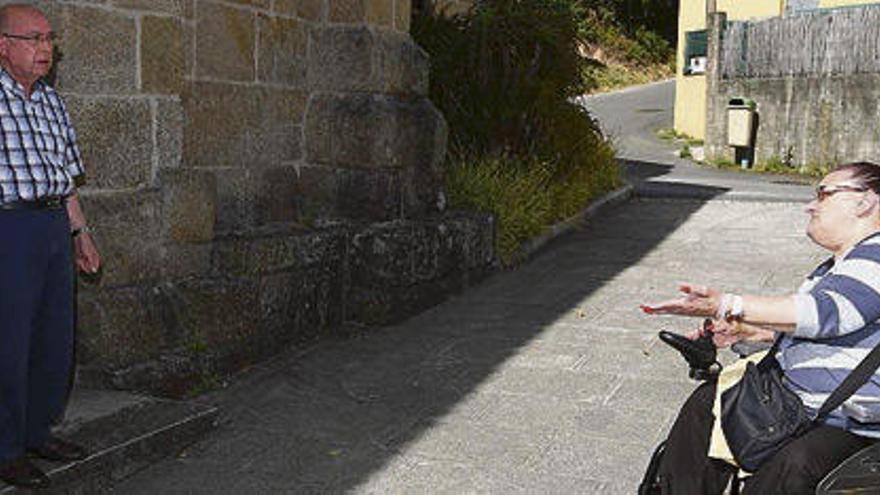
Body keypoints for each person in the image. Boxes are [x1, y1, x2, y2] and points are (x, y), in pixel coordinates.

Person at [641, 161, 880, 494]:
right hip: (801, 404)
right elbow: (830, 329)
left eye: (823, 194)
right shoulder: (836, 267)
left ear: (865, 201)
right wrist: (749, 331)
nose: (811, 205)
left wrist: (728, 304)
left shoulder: (877, 256)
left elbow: (824, 312)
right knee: (708, 403)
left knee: (795, 466)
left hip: (849, 423)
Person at [0, 4, 100, 489]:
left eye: (49, 39)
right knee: (8, 341)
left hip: (52, 227)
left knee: (53, 336)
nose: (46, 49)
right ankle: (5, 448)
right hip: (8, 230)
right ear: (3, 45)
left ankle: (37, 431)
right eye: (34, 39)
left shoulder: (51, 101)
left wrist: (79, 232)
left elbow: (64, 179)